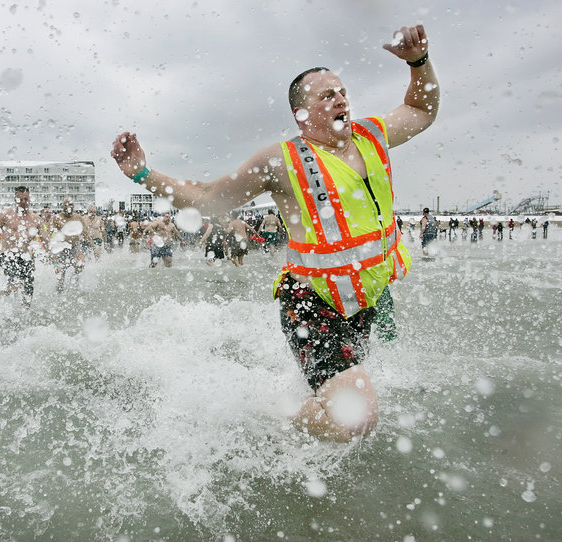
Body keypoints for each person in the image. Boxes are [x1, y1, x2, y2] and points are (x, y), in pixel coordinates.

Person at [112, 25, 437, 442]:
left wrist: (418, 63)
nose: (341, 99)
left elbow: (423, 110)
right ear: (302, 113)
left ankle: (305, 420)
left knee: (343, 408)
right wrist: (142, 173)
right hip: (311, 302)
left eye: (341, 91)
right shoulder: (281, 162)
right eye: (326, 95)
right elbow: (209, 199)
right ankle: (267, 416)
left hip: (363, 297)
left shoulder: (372, 135)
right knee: (354, 419)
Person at [0, 186, 43, 309]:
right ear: (15, 200)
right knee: (15, 284)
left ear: (29, 199)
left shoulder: (35, 219)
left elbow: (47, 240)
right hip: (8, 255)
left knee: (29, 287)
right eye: (20, 199)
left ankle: (25, 311)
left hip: (26, 256)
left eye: (26, 199)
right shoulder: (6, 214)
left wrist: (55, 261)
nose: (23, 202)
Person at [49, 198, 91, 292]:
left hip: (75, 245)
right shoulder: (57, 218)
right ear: (62, 206)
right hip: (62, 246)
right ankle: (59, 291)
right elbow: (49, 236)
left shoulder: (78, 217)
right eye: (66, 205)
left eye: (71, 205)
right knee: (61, 273)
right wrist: (52, 255)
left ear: (73, 206)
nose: (68, 207)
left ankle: (74, 281)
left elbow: (86, 233)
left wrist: (94, 247)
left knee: (81, 263)